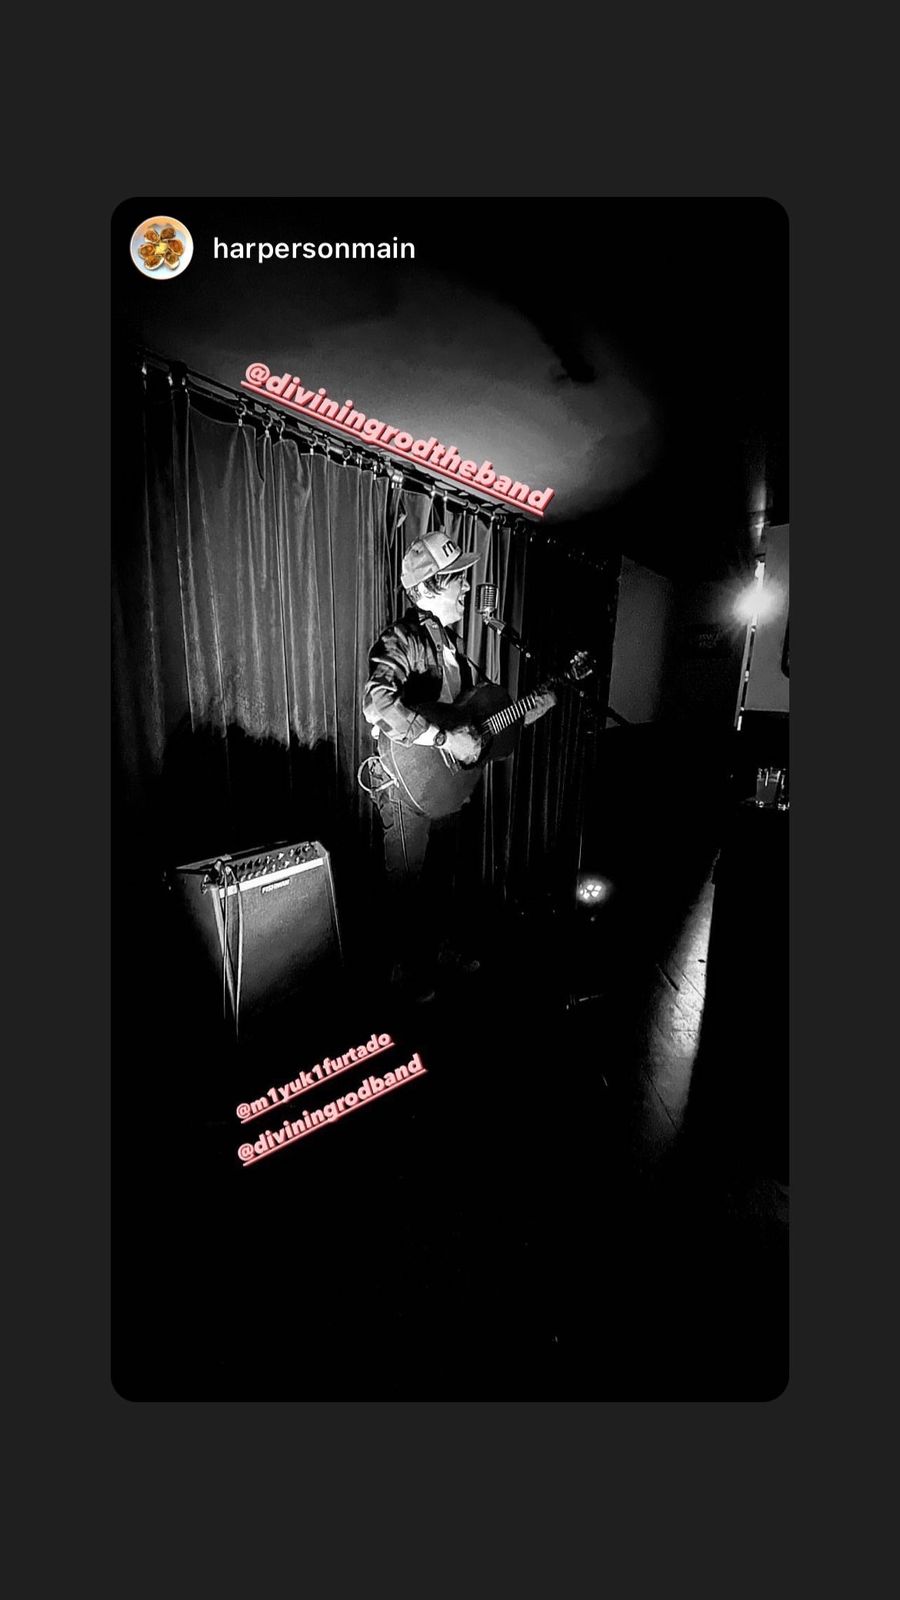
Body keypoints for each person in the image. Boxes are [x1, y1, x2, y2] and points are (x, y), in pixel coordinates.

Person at [361, 529, 554, 1001]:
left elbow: (486, 716)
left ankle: (437, 950)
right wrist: (445, 737)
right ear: (428, 587)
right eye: (457, 579)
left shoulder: (452, 647)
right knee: (405, 887)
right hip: (406, 788)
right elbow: (377, 703)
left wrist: (532, 707)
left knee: (440, 879)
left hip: (446, 787)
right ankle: (402, 974)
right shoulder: (402, 639)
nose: (467, 586)